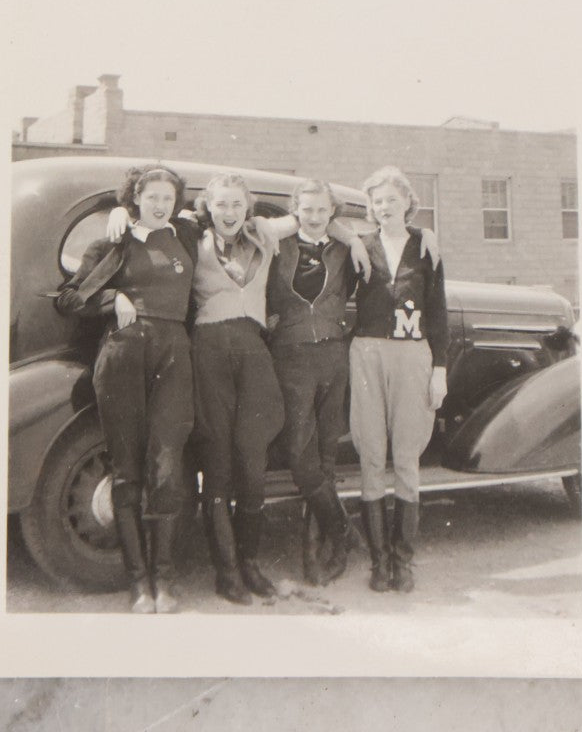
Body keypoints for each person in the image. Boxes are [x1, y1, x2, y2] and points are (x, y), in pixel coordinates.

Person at [107, 172, 370, 605]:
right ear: (208, 207)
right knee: (218, 463)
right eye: (221, 204)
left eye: (237, 204)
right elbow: (149, 223)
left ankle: (250, 563)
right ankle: (226, 571)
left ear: (248, 207)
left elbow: (313, 218)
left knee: (252, 462)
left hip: (253, 353)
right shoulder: (191, 234)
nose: (229, 212)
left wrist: (354, 239)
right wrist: (121, 210)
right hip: (209, 353)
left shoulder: (263, 232)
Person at [54, 165, 198, 614]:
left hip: (173, 356)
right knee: (126, 468)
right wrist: (109, 298)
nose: (160, 205)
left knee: (167, 467)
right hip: (123, 356)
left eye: (167, 198)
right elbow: (69, 298)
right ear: (135, 197)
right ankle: (139, 583)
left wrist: (347, 234)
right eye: (151, 196)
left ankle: (165, 580)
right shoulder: (112, 244)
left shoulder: (186, 235)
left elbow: (243, 217)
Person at [350, 166, 448, 594]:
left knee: (406, 457)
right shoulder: (360, 245)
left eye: (392, 199)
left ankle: (402, 561)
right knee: (371, 455)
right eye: (377, 201)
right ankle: (379, 562)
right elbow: (320, 222)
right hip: (367, 354)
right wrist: (347, 236)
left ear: (408, 201)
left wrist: (440, 369)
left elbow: (438, 312)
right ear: (369, 208)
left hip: (413, 356)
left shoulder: (425, 248)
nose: (384, 206)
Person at [265, 179, 360, 585]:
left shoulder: (345, 250)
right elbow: (251, 228)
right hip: (291, 356)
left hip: (333, 356)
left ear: (332, 212)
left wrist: (350, 238)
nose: (315, 217)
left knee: (325, 455)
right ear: (295, 210)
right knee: (299, 452)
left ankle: (316, 551)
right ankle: (342, 529)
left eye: (323, 210)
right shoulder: (277, 245)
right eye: (307, 209)